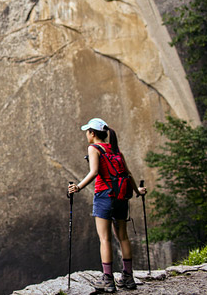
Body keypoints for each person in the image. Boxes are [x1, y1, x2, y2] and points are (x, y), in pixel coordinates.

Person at [68, 118, 147, 293]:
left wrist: (78, 187)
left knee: (105, 239)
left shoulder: (94, 148)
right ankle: (128, 277)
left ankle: (108, 279)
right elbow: (128, 173)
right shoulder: (115, 149)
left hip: (104, 197)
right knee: (123, 237)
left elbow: (94, 172)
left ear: (93, 133)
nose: (86, 135)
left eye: (87, 132)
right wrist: (137, 191)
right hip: (121, 198)